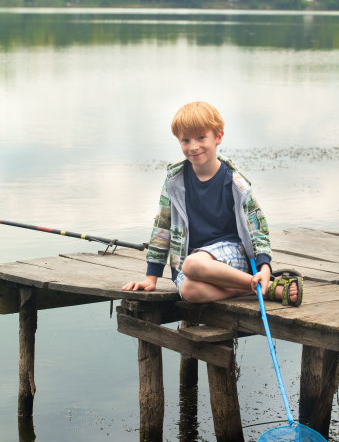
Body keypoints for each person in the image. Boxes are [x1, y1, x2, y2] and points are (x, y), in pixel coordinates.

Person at [122, 101, 302, 305]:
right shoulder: (174, 181)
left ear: (218, 137)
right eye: (186, 140)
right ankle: (263, 288)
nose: (193, 147)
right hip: (191, 263)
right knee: (189, 290)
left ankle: (260, 282)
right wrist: (150, 278)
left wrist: (264, 267)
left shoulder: (235, 182)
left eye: (201, 138)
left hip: (231, 256)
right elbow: (162, 229)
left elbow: (258, 229)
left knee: (192, 264)